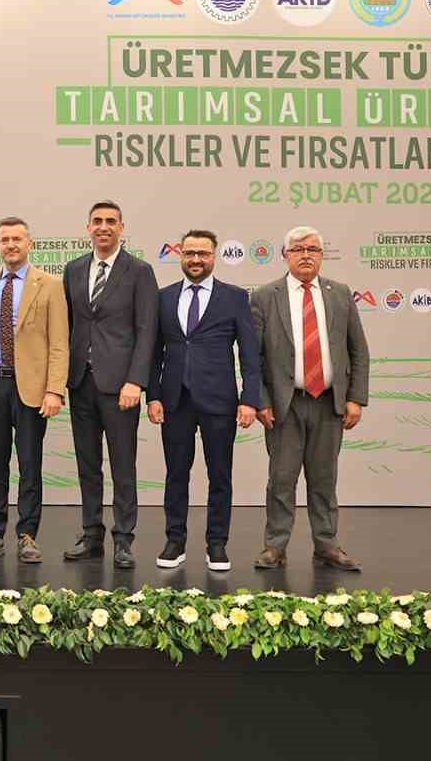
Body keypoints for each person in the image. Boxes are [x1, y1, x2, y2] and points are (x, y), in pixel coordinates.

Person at [250, 225, 370, 572]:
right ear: (285, 255)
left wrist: (356, 398)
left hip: (329, 403)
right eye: (298, 249)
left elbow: (358, 350)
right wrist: (261, 401)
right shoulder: (264, 296)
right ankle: (275, 546)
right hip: (284, 406)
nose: (306, 255)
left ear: (321, 255)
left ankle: (327, 545)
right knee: (281, 479)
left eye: (313, 249)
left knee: (324, 479)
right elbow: (253, 357)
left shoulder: (340, 294)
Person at [146, 230, 260, 572]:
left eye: (203, 254)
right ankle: (175, 540)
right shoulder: (163, 298)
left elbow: (250, 355)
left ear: (214, 256)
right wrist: (153, 395)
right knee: (175, 474)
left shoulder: (235, 297)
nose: (196, 259)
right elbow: (154, 353)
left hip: (220, 402)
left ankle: (217, 544)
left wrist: (249, 399)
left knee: (220, 475)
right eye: (190, 253)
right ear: (181, 255)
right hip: (174, 401)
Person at [61, 201, 158, 569]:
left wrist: (136, 381)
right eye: (97, 221)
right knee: (88, 465)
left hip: (121, 387)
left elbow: (147, 331)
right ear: (88, 228)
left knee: (122, 466)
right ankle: (91, 535)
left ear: (121, 227)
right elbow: (70, 325)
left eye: (111, 221)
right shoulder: (73, 269)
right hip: (80, 382)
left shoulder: (140, 271)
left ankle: (123, 539)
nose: (104, 227)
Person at [0, 217, 68, 564]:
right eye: (5, 240)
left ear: (30, 244)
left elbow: (59, 342)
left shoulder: (51, 285)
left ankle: (28, 534)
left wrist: (54, 390)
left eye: (17, 239)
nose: (11, 245)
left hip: (32, 389)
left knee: (29, 464)